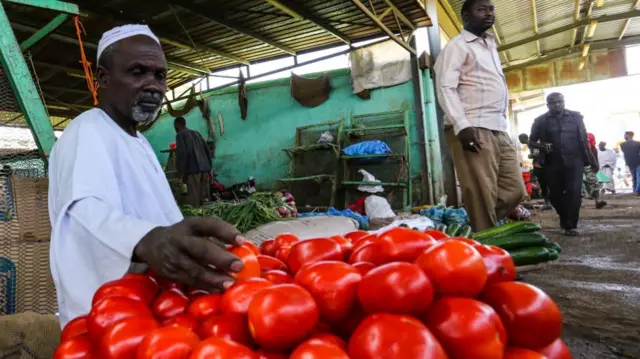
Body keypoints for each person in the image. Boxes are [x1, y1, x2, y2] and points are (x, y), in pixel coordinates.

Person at [48, 24, 245, 328]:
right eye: (137, 72)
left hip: (156, 308)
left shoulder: (139, 142)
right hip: (109, 318)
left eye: (159, 75)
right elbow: (82, 211)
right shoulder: (86, 130)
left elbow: (162, 217)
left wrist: (185, 243)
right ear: (103, 78)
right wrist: (142, 239)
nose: (153, 85)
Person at [434, 0, 524, 231]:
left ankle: (480, 228)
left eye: (491, 9)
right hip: (471, 125)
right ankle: (486, 246)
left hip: (498, 126)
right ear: (465, 16)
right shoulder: (457, 46)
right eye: (481, 9)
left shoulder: (489, 45)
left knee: (515, 190)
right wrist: (461, 125)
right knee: (481, 192)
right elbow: (445, 87)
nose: (488, 13)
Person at [529, 93, 598, 236]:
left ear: (564, 102)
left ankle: (571, 225)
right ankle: (564, 216)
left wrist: (592, 160)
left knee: (574, 192)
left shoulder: (576, 118)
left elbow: (584, 140)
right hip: (552, 163)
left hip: (575, 161)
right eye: (552, 102)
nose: (556, 104)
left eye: (559, 101)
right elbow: (531, 141)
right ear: (547, 105)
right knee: (554, 194)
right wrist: (542, 147)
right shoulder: (540, 121)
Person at [174, 116, 212, 207]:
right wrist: (209, 167)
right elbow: (208, 150)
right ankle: (207, 216)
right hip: (205, 169)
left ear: (177, 125)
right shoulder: (196, 133)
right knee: (204, 197)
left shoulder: (180, 135)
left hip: (193, 170)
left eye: (175, 127)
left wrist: (182, 174)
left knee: (194, 199)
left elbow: (182, 155)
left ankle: (197, 217)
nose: (175, 129)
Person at [519, 133, 551, 209]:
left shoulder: (532, 143)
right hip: (538, 165)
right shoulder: (530, 144)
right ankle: (548, 202)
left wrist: (531, 156)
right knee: (543, 184)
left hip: (541, 166)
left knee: (544, 184)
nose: (520, 141)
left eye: (520, 139)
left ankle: (548, 203)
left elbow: (541, 153)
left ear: (523, 139)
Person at [583, 133, 606, 209]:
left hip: (587, 161)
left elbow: (593, 149)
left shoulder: (589, 135)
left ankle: (597, 201)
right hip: (572, 161)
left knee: (594, 181)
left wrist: (595, 162)